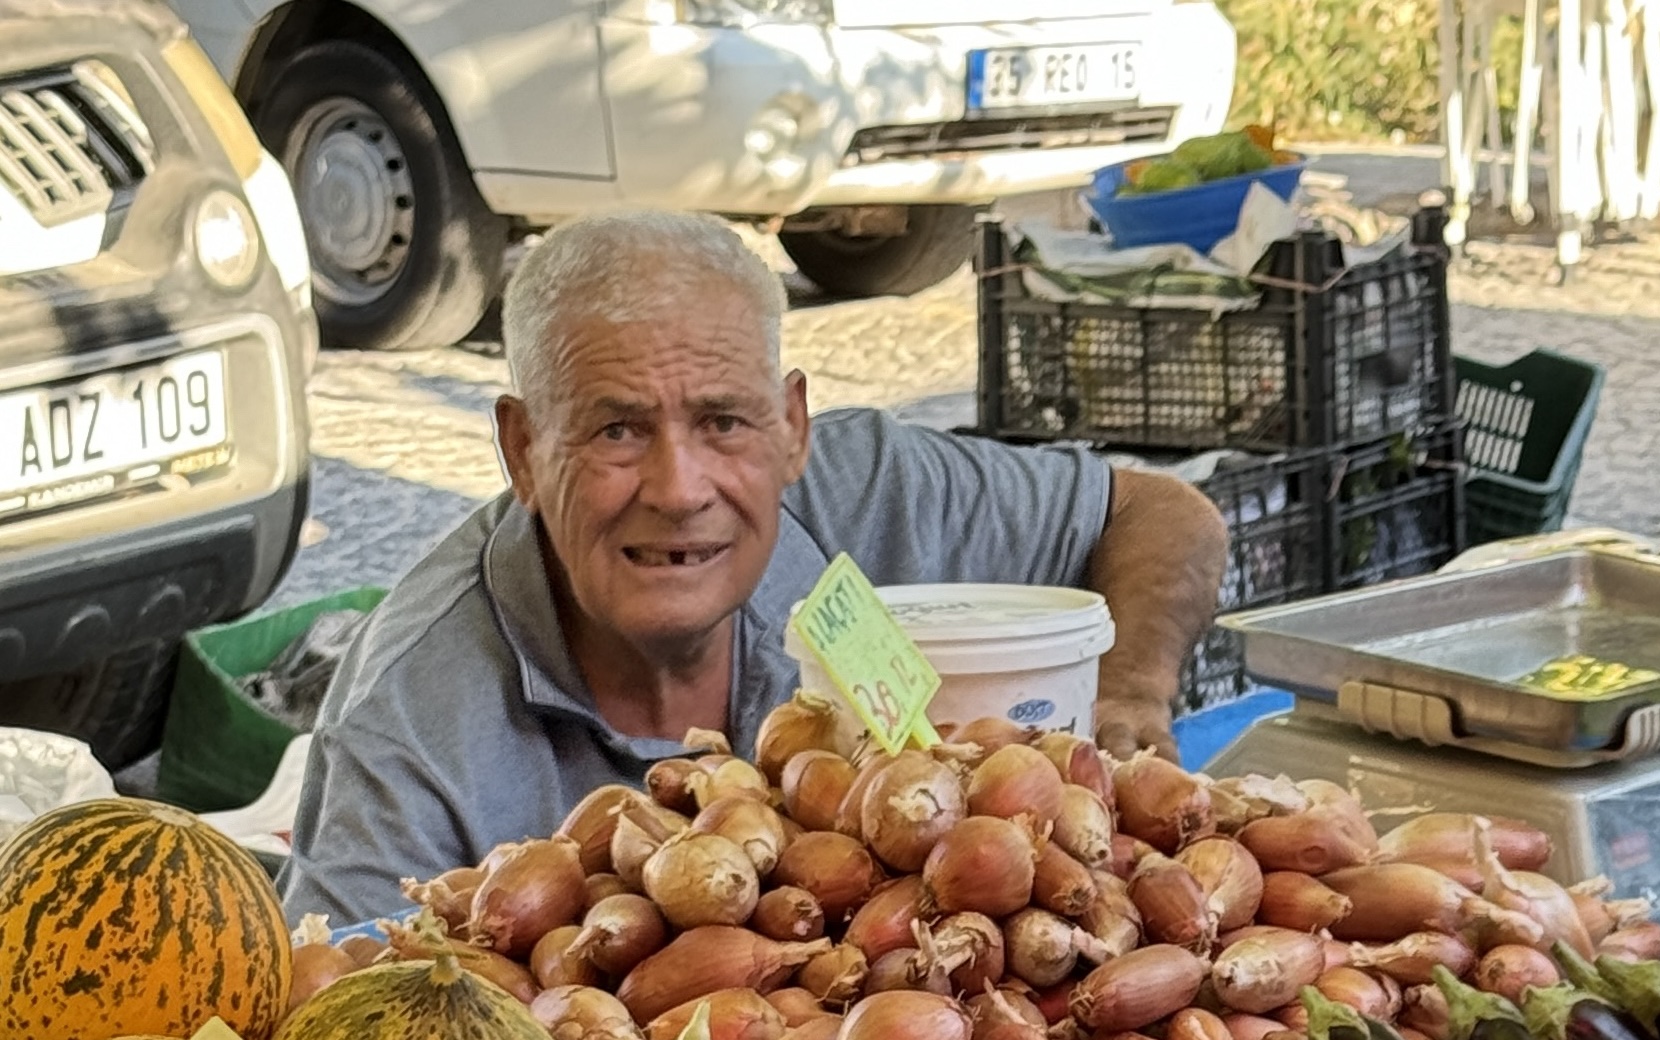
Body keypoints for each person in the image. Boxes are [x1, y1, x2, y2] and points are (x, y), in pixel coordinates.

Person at [283, 211, 1228, 927]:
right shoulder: (404, 725)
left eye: (723, 423)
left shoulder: (871, 491)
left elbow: (1164, 514)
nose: (680, 487)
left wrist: (1131, 688)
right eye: (617, 430)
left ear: (791, 428)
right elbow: (343, 1034)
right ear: (524, 450)